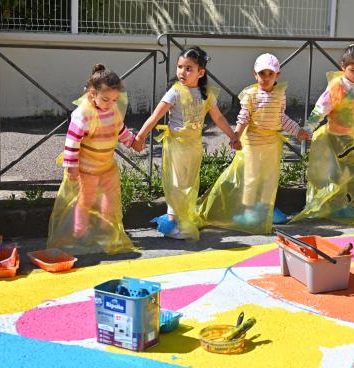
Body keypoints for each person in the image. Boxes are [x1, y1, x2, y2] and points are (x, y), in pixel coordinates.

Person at [134, 46, 240, 240]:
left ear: (201, 72)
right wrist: (140, 137)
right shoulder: (174, 92)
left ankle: (181, 218)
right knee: (175, 182)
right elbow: (155, 116)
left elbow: (218, 118)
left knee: (189, 183)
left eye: (188, 68)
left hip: (194, 147)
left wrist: (233, 136)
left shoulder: (206, 94)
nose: (182, 72)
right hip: (176, 146)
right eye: (180, 66)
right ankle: (174, 220)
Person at [197, 53, 310, 234]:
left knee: (268, 178)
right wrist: (236, 137)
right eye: (262, 74)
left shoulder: (280, 95)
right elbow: (244, 118)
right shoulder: (251, 95)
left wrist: (297, 131)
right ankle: (248, 210)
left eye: (270, 74)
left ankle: (266, 208)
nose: (266, 78)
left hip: (272, 145)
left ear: (277, 76)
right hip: (252, 144)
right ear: (255, 75)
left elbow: (282, 118)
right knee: (251, 178)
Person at [290, 44, 354, 225]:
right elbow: (321, 108)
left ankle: (344, 203)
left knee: (344, 170)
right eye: (353, 70)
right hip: (339, 137)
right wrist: (308, 128)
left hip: (349, 137)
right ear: (343, 67)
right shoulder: (337, 87)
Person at [47, 64, 140, 255]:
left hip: (107, 166)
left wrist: (131, 141)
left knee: (111, 198)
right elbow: (72, 143)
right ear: (92, 94)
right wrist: (71, 167)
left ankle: (107, 229)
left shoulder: (113, 110)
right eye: (106, 99)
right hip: (87, 169)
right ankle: (80, 231)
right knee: (86, 199)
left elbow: (119, 130)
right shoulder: (83, 115)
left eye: (114, 99)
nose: (110, 103)